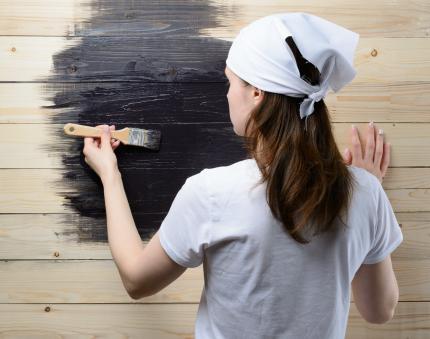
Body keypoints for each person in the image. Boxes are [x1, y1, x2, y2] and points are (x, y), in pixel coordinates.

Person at [82, 12, 403, 339]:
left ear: (256, 94)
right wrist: (367, 194)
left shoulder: (211, 192)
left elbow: (137, 281)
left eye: (231, 81)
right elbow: (379, 310)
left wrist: (109, 174)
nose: (227, 94)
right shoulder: (365, 192)